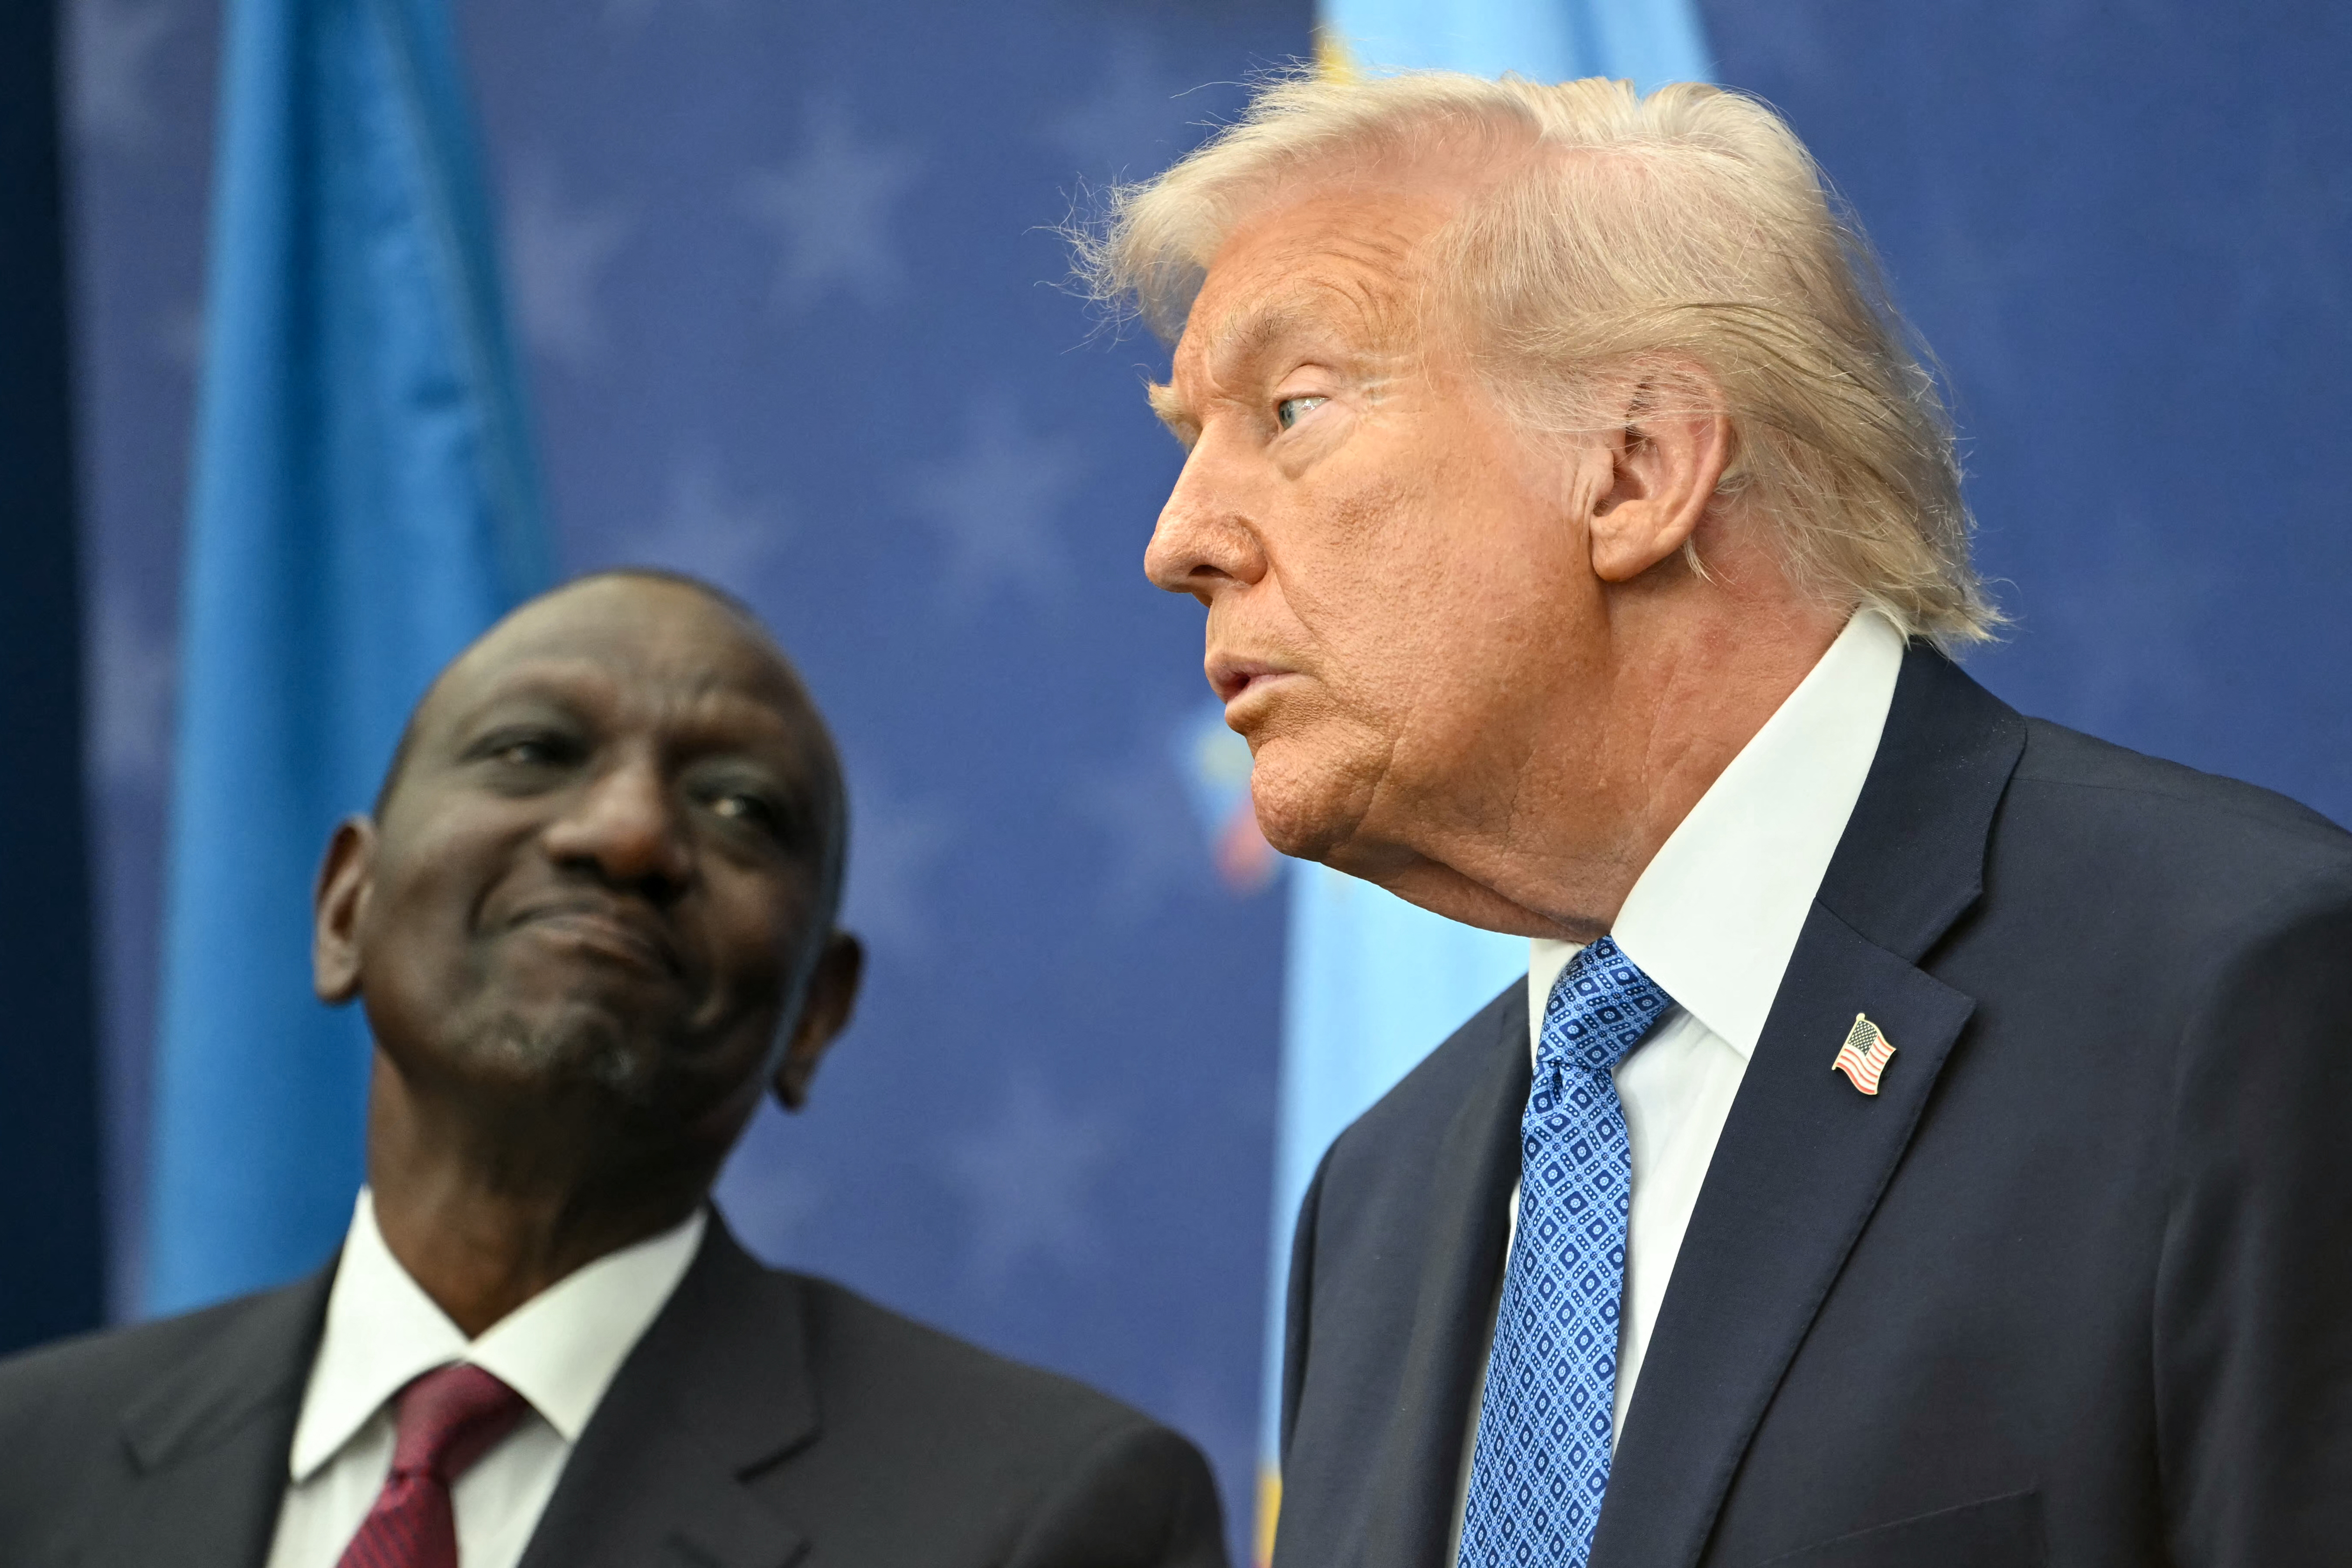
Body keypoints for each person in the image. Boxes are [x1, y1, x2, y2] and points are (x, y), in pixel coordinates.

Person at [1084, 71, 2352, 1568]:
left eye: (1289, 409)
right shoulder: (1382, 1196)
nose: (1179, 542)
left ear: (1635, 466)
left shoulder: (2242, 994)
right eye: (1187, 434)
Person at [0, 571, 1227, 1568]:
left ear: (817, 1012)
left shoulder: (1047, 1516)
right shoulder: (28, 1464)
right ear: (344, 909)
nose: (627, 832)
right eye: (533, 751)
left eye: (740, 810)